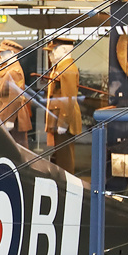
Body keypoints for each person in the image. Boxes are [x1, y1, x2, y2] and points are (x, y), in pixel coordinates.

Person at [48, 40, 84, 173]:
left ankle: (67, 187)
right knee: (61, 156)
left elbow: (69, 98)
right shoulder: (60, 67)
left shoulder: (68, 69)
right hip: (58, 117)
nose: (52, 53)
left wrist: (63, 122)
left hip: (64, 120)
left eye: (55, 49)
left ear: (64, 50)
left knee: (65, 160)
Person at [0, 38, 31, 140]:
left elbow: (15, 98)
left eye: (3, 53)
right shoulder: (6, 70)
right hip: (3, 115)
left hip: (13, 119)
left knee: (16, 149)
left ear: (11, 53)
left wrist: (9, 120)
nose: (0, 55)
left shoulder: (15, 71)